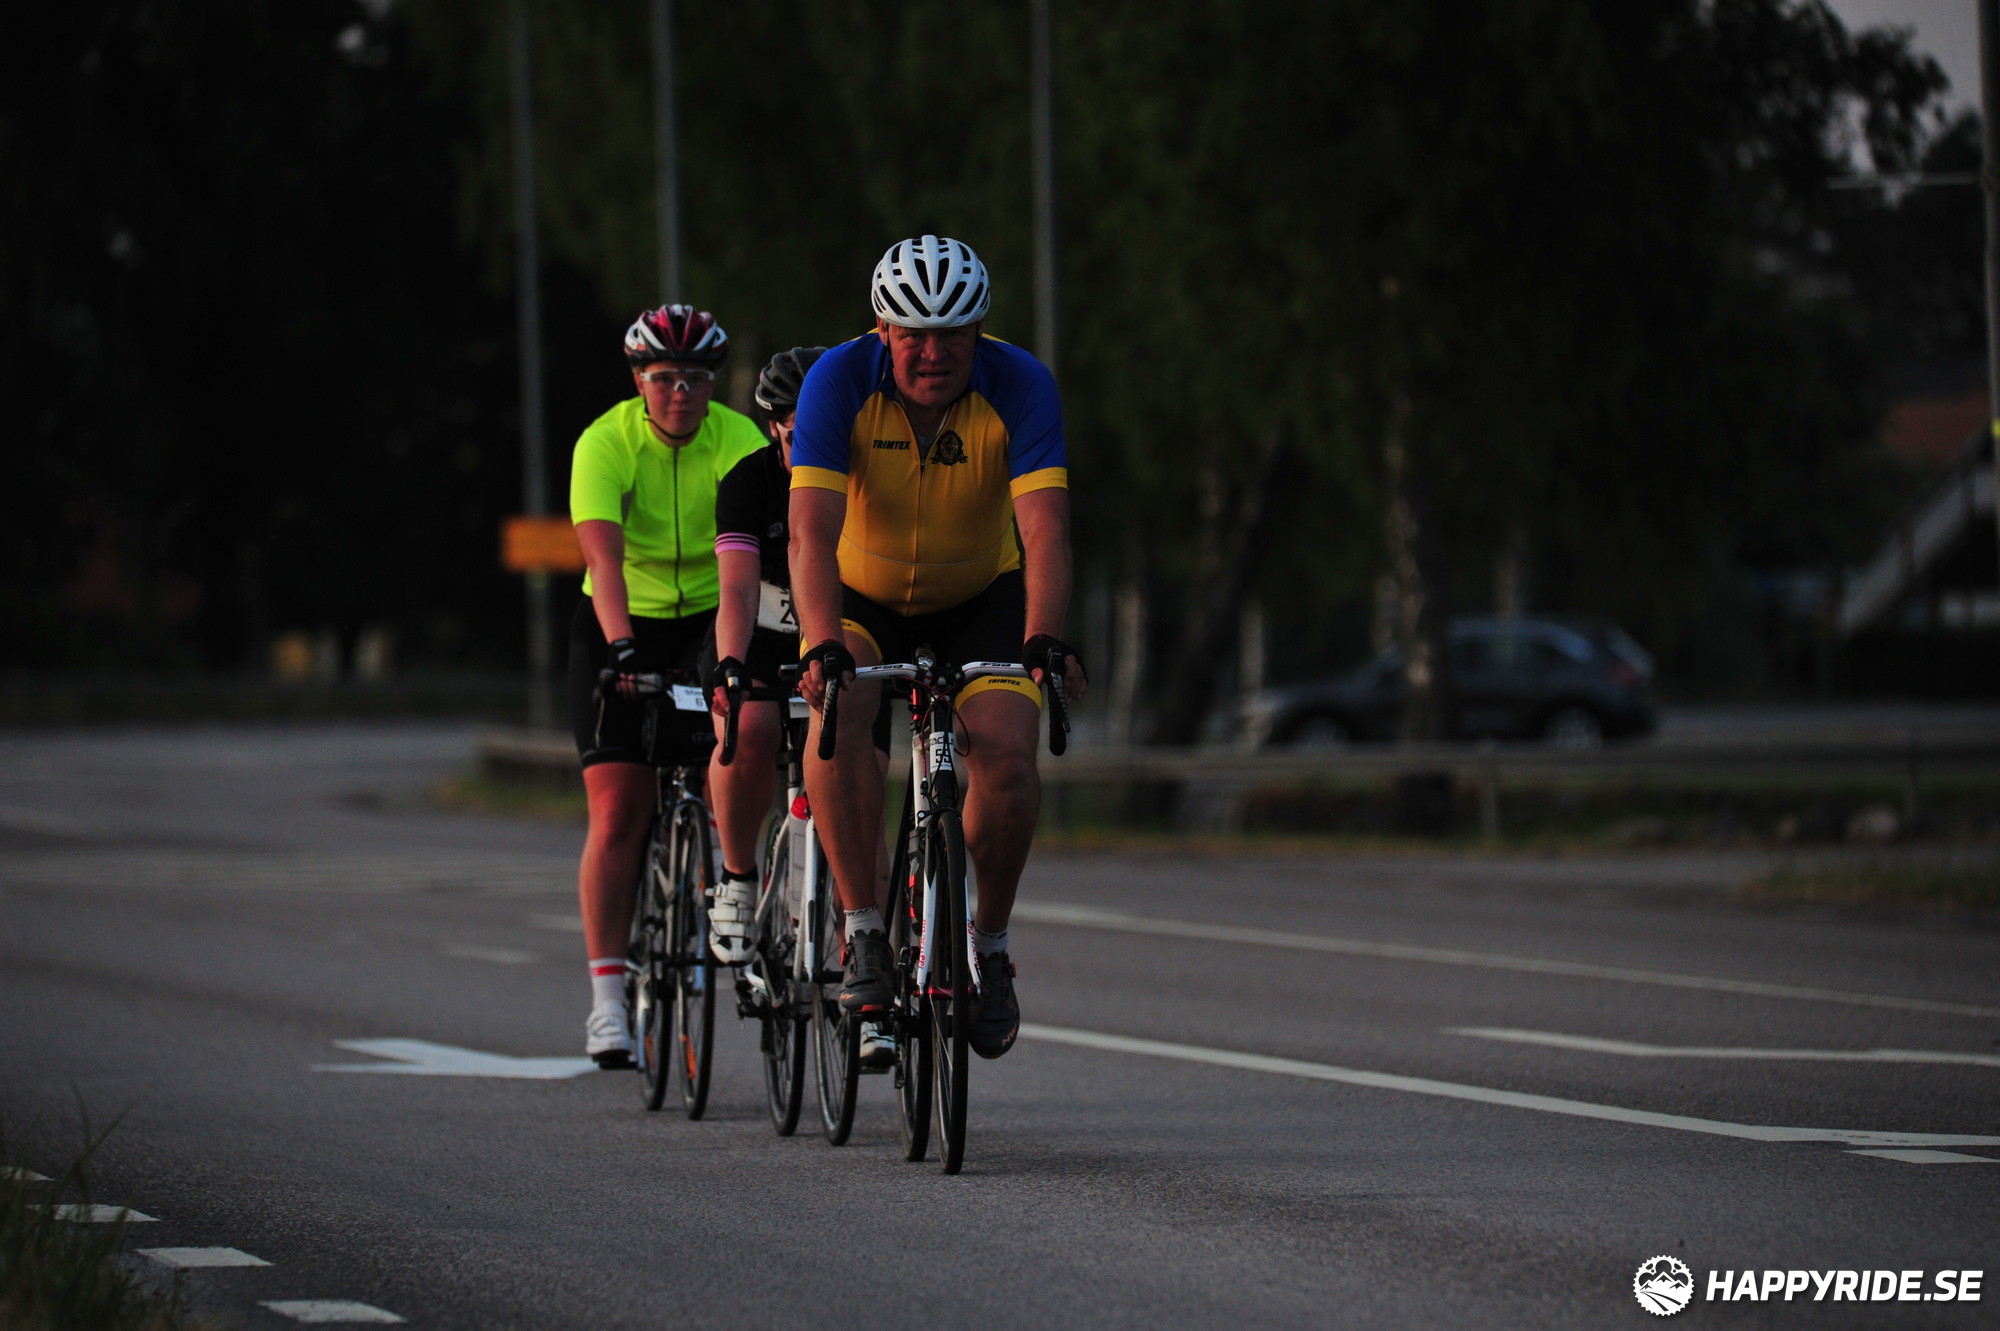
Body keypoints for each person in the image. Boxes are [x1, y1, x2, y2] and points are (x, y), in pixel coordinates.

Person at [789, 235, 1086, 1061]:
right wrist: (820, 642)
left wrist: (1042, 636)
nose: (932, 352)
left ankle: (989, 945)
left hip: (981, 598)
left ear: (978, 330)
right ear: (882, 329)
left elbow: (1046, 530)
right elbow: (810, 533)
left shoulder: (1020, 383)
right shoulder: (837, 380)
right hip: (863, 596)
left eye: (952, 333)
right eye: (913, 334)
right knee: (839, 706)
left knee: (1008, 756)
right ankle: (865, 930)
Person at [569, 304, 765, 1068]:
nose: (680, 392)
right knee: (619, 809)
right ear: (638, 381)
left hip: (711, 618)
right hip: (620, 617)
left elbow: (752, 551)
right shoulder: (605, 441)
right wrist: (621, 646)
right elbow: (603, 558)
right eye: (663, 378)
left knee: (734, 747)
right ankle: (607, 1002)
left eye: (695, 378)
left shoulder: (739, 439)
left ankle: (723, 871)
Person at [699, 346, 825, 966]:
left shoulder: (862, 474)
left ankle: (864, 953)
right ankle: (738, 876)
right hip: (758, 634)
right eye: (800, 436)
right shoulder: (749, 483)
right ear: (775, 427)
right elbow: (737, 591)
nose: (814, 448)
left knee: (853, 763)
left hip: (834, 636)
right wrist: (730, 663)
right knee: (749, 724)